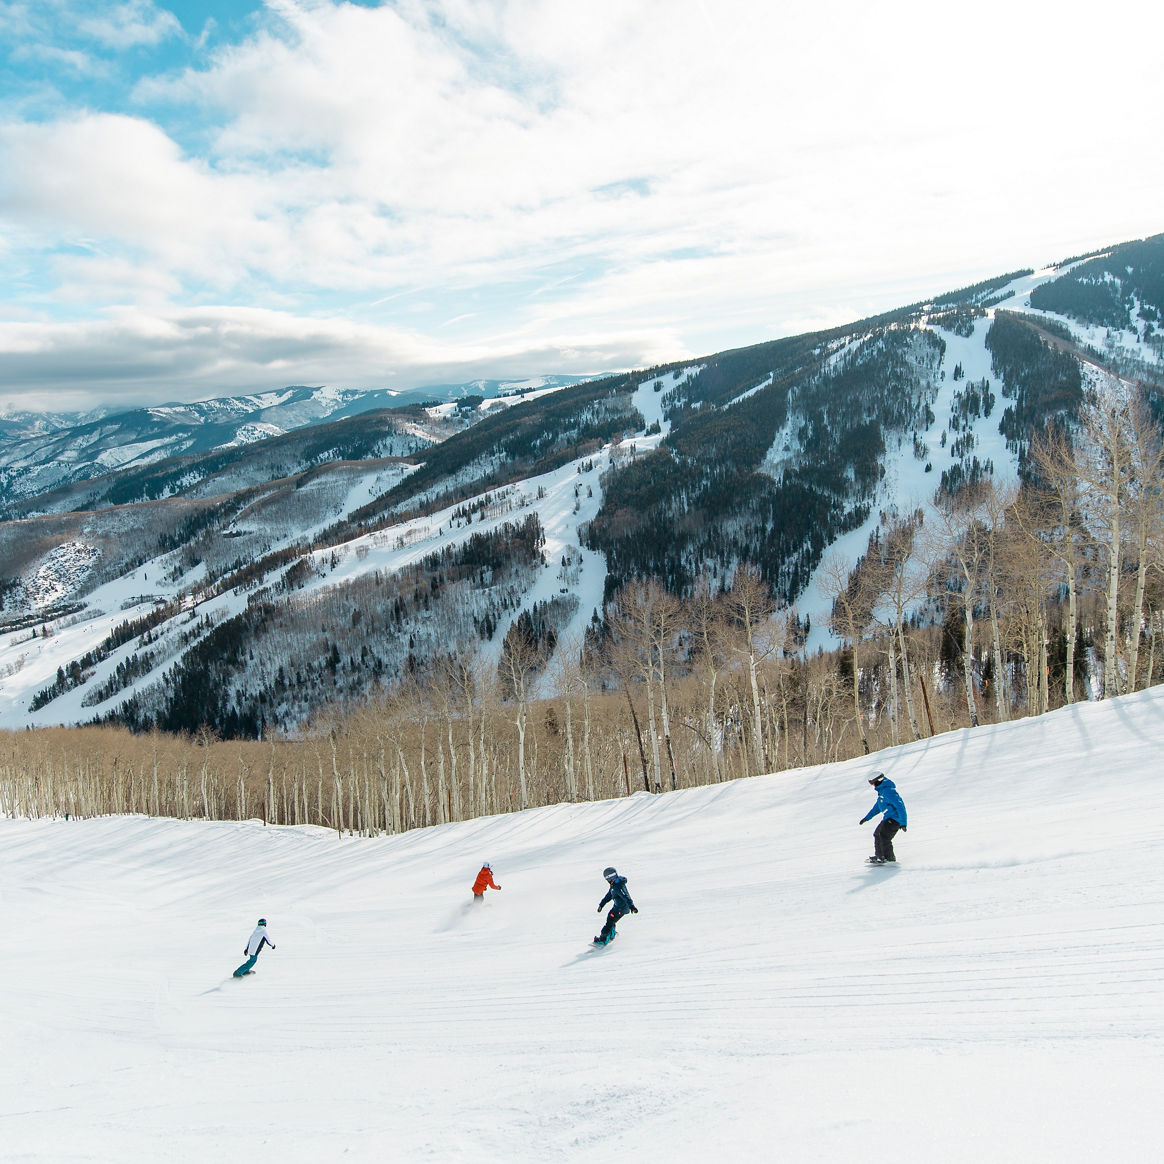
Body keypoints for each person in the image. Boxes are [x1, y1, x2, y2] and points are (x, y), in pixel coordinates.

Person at [860, 772, 907, 864]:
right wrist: (866, 818)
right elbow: (877, 807)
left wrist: (903, 823)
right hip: (888, 819)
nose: (872, 785)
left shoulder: (889, 791)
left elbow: (900, 806)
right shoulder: (882, 791)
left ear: (878, 781)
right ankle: (880, 856)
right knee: (877, 834)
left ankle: (889, 858)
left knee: (884, 836)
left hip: (894, 819)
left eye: (872, 782)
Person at [594, 866, 637, 946]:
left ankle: (603, 940)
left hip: (622, 908)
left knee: (610, 921)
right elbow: (609, 895)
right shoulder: (614, 885)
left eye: (607, 879)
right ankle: (612, 934)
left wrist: (632, 906)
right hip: (617, 907)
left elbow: (626, 896)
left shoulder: (619, 886)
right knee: (610, 918)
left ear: (610, 878)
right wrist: (601, 904)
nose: (607, 881)